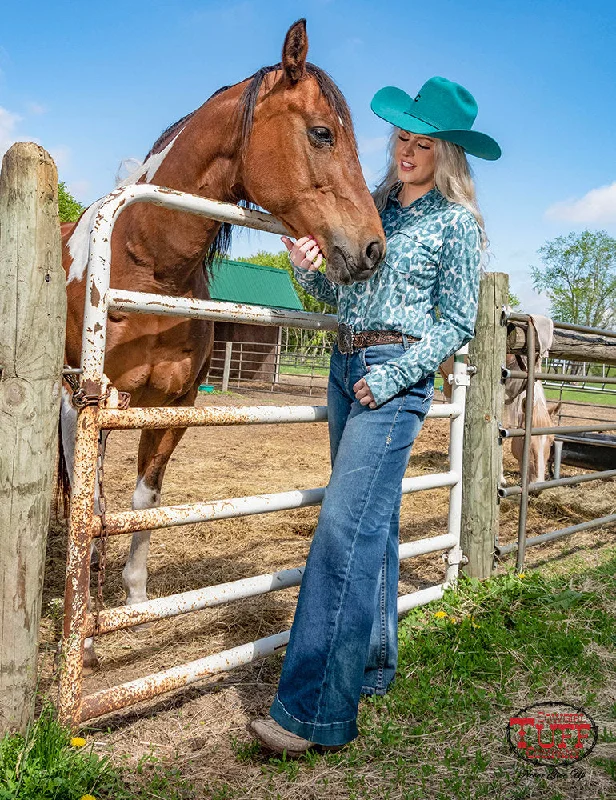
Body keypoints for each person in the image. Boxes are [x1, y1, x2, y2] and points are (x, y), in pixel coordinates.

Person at [249, 76, 501, 754]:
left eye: (423, 143)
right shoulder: (374, 205)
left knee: (340, 531)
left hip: (395, 379)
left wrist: (391, 376)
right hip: (344, 365)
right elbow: (335, 286)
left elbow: (455, 323)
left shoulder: (457, 224)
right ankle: (374, 664)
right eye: (402, 138)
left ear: (447, 154)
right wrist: (302, 265)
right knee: (372, 526)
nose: (408, 150)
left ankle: (311, 714)